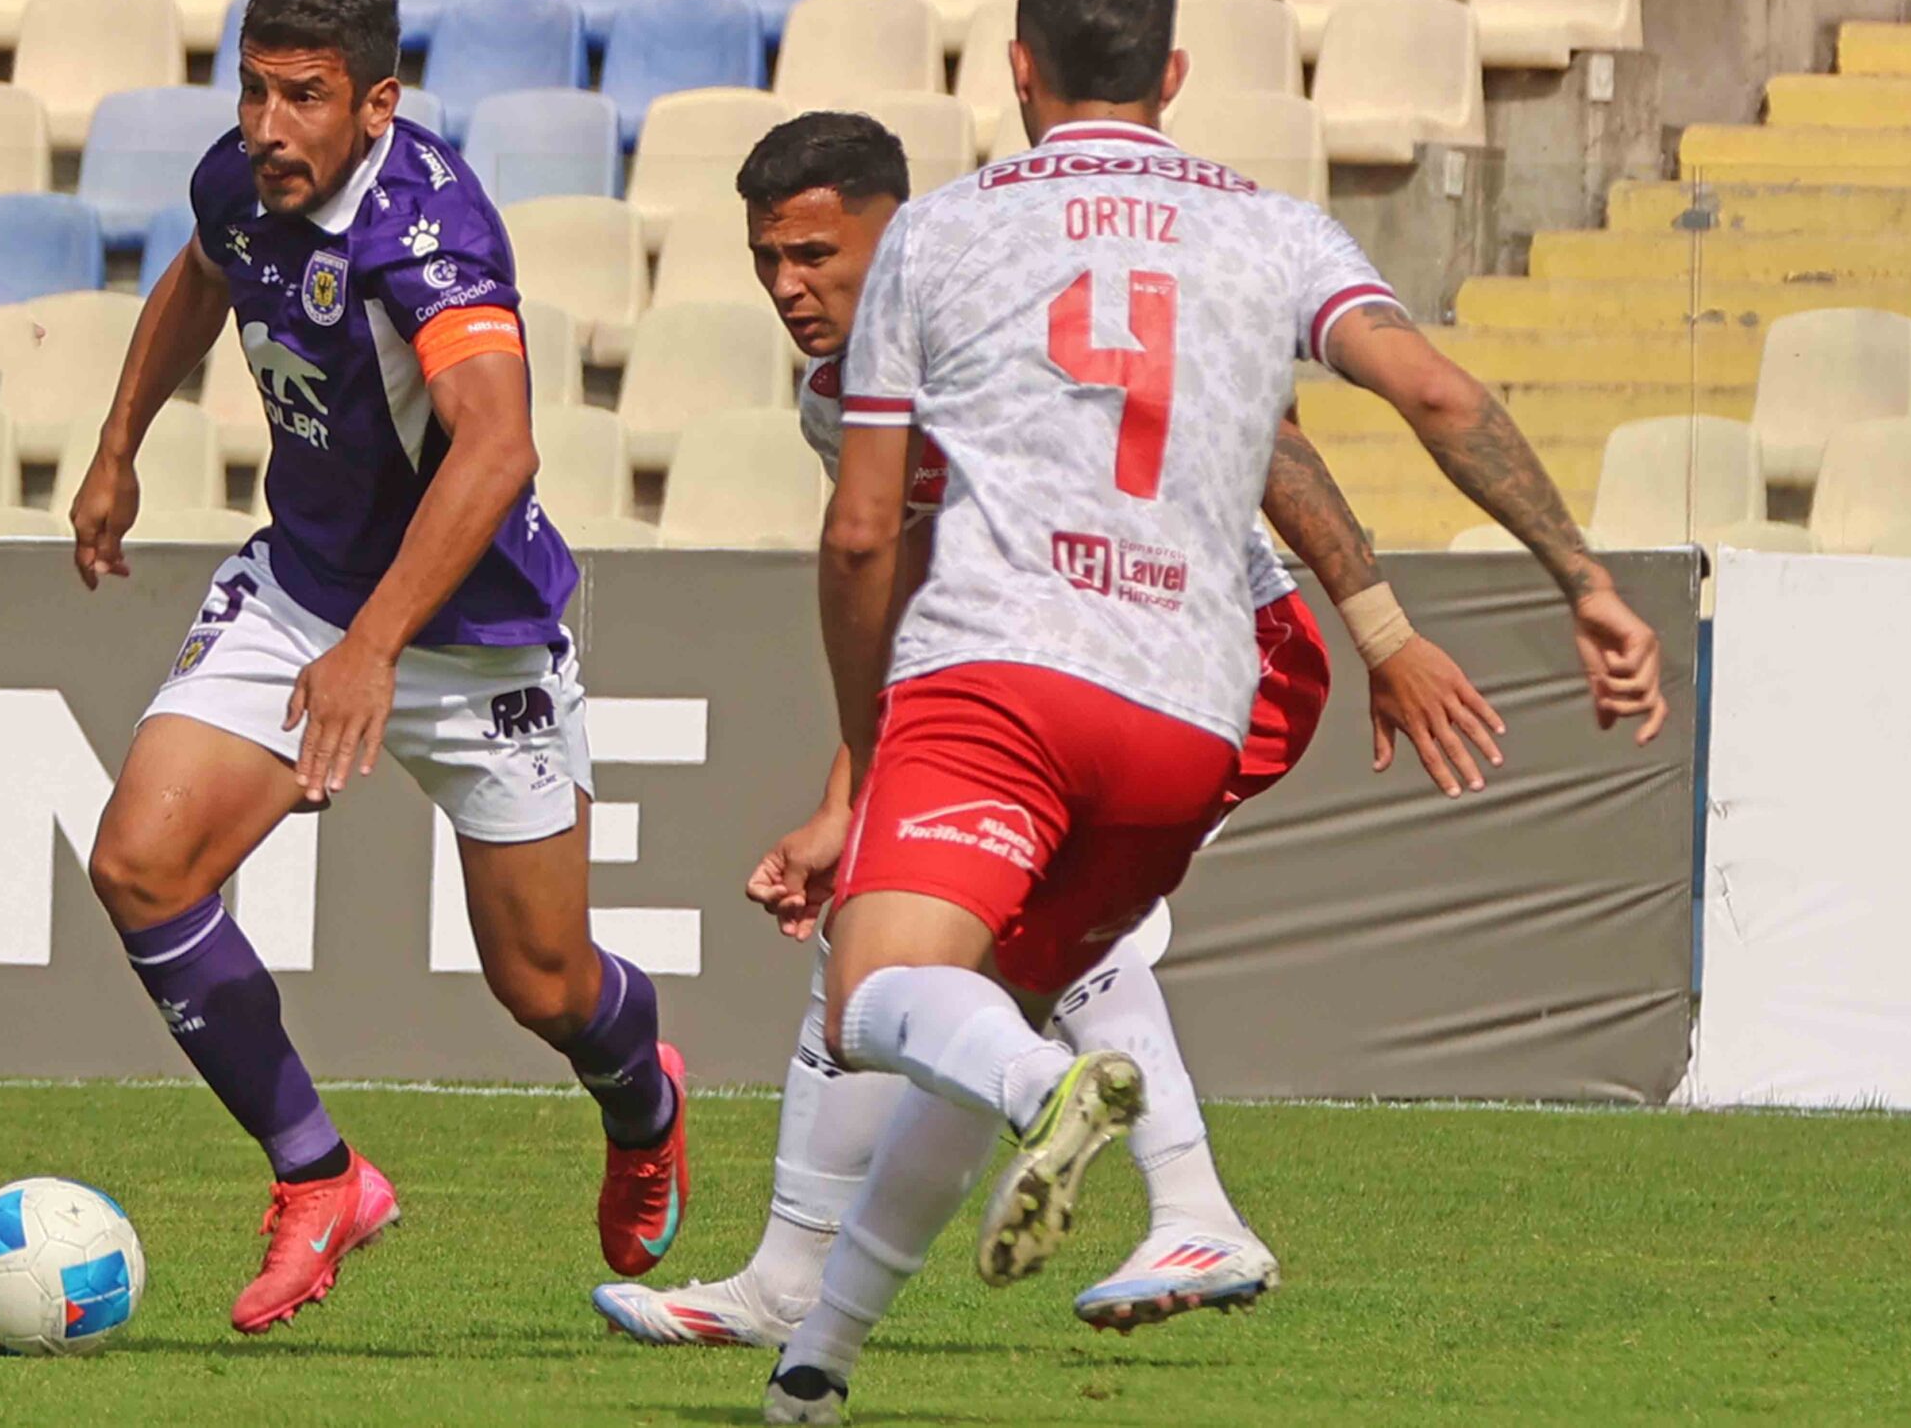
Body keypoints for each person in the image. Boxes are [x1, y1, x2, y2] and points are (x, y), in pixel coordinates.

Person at [760, 0, 1668, 1424]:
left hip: (1006, 670)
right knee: (999, 994)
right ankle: (816, 1362)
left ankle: (1077, 1125)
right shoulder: (1270, 227)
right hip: (1190, 703)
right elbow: (1439, 394)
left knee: (880, 996)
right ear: (1173, 72)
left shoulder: (943, 233)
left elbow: (864, 535)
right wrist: (1580, 576)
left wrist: (874, 751)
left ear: (1018, 69)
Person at [592, 112, 1508, 1350]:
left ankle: (1179, 1208)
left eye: (813, 254)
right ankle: (801, 1281)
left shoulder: (1002, 303)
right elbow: (918, 594)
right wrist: (854, 796)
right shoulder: (838, 400)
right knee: (890, 941)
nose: (787, 287)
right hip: (1037, 670)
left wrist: (1383, 631)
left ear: (893, 235)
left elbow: (1268, 440)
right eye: (767, 260)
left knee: (1027, 937)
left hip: (1215, 650)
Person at [66, 0, 687, 1336]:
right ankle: (320, 1173)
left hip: (473, 633)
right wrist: (118, 447)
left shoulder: (429, 233)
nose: (269, 126)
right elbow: (200, 278)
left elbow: (499, 445)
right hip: (302, 587)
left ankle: (644, 1099)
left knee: (542, 983)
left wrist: (375, 646)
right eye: (254, 91)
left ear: (377, 104)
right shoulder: (243, 180)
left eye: (305, 97)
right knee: (140, 863)